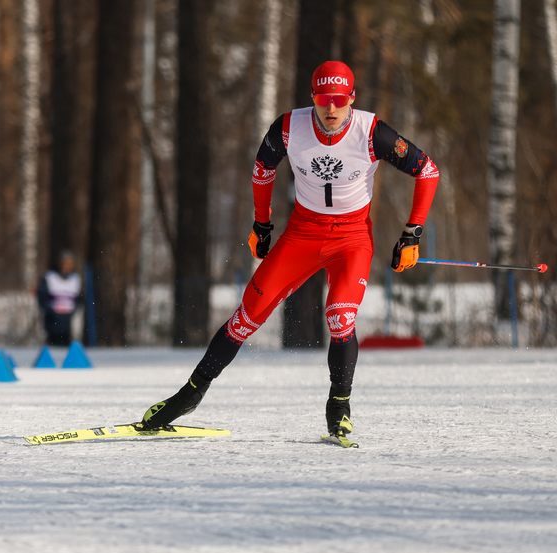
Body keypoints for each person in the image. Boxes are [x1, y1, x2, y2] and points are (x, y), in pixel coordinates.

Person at [141, 60, 440, 443]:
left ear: (351, 98)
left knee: (340, 318)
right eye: (323, 99)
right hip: (303, 234)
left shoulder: (371, 132)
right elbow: (262, 170)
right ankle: (188, 395)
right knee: (246, 316)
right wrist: (261, 224)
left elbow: (427, 170)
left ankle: (339, 408)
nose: (330, 108)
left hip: (351, 239)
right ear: (312, 96)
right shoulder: (288, 127)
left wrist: (412, 234)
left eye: (338, 100)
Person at [37, 250, 82, 346]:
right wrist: (50, 310)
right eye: (64, 263)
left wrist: (74, 310)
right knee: (53, 345)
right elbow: (42, 298)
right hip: (52, 320)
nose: (66, 266)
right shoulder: (50, 277)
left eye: (69, 263)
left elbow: (78, 299)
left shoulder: (75, 279)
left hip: (68, 321)